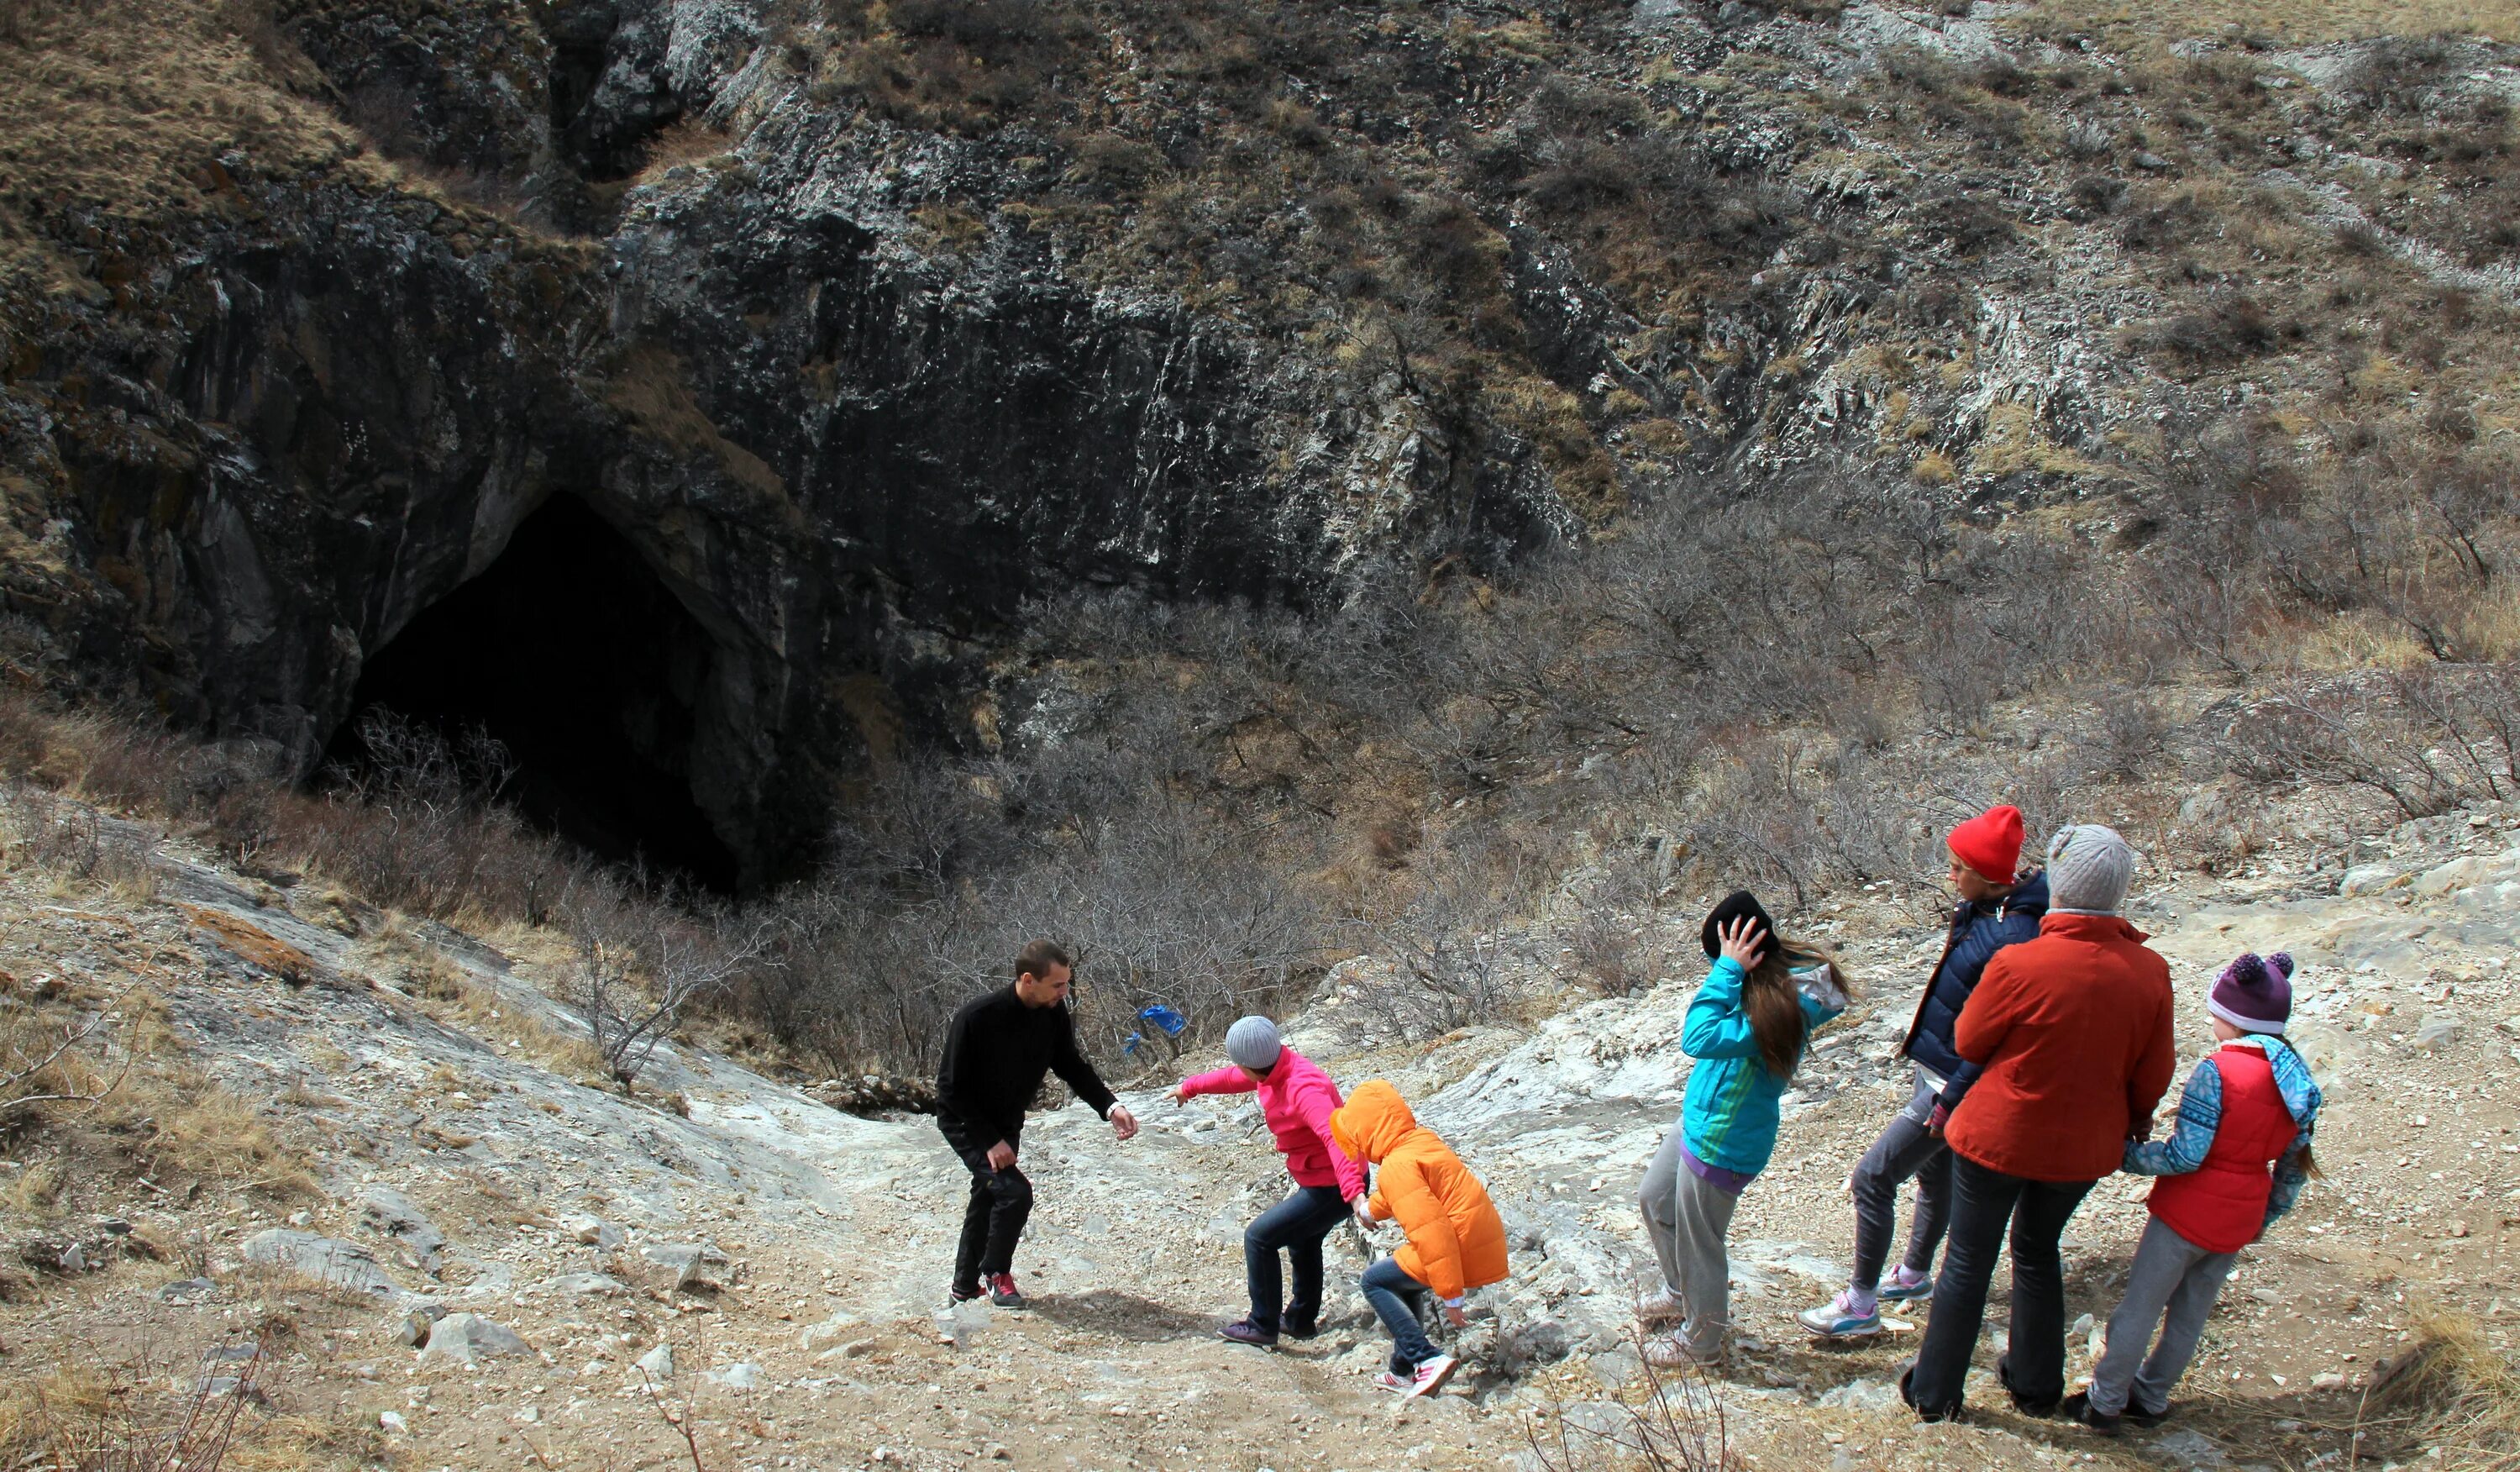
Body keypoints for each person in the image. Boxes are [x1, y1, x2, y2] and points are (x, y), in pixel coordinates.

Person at [1902, 825, 2176, 1422]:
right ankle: (2035, 1387)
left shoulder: (2020, 961)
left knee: (1969, 1260)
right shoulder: (2150, 971)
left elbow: (1969, 1037)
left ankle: (1935, 1392)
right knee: (2037, 1248)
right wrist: (2133, 1121)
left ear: (2058, 884)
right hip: (2083, 1149)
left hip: (1996, 1135)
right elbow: (2153, 1075)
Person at [1801, 805, 2048, 1340]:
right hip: (1937, 1065)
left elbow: (1997, 1031)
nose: (1950, 875)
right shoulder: (1987, 914)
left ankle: (1861, 1304)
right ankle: (1913, 1275)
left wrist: (1951, 1096)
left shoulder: (2012, 936)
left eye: (1958, 867)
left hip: (1951, 1083)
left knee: (1873, 1178)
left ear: (1987, 874)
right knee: (1935, 1177)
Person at [2064, 953, 2323, 1434]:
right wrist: (2265, 1217)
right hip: (2239, 1216)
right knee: (2190, 1315)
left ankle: (2105, 1402)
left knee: (2139, 1308)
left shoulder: (2217, 1071)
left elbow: (2186, 1156)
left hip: (2187, 1212)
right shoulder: (2296, 1079)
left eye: (2215, 1012)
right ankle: (2153, 1397)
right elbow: (2292, 1165)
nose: (2210, 1019)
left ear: (2234, 1018)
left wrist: (2122, 1155)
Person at [1639, 891, 1851, 1367]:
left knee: (1701, 1245)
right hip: (1699, 1119)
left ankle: (1703, 1344)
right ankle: (1680, 1293)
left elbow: (1697, 1038)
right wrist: (1733, 970)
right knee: (1654, 1199)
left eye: (1722, 956)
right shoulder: (1766, 980)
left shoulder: (1783, 1006)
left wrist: (1727, 971)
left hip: (1723, 1139)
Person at [933, 940, 1140, 1309]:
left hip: (1007, 1118)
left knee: (989, 1195)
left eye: (1067, 984)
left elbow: (1071, 1066)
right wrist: (990, 1140)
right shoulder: (977, 1017)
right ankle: (997, 1273)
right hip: (968, 1122)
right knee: (1014, 1193)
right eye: (1058, 985)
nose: (1065, 992)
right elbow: (950, 1089)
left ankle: (963, 1287)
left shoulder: (1053, 1014)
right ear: (1029, 980)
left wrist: (1110, 1107)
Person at [1174, 1015, 1368, 1348]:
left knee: (1260, 1238)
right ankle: (1299, 1321)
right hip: (1322, 1180)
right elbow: (1235, 1078)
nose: (1239, 1070)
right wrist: (1189, 1087)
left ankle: (1262, 1324)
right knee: (1303, 1241)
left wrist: (1355, 1195)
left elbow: (1338, 1139)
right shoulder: (1274, 1066)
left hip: (1336, 1185)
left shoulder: (1303, 1087)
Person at [1329, 1079, 1508, 1398]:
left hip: (1458, 1243)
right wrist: (1371, 1210)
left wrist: (1451, 1295)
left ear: (1368, 1132)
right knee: (1400, 1279)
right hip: (1479, 1234)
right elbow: (1410, 1193)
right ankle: (1401, 1371)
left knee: (1373, 1281)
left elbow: (1432, 1229)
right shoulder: (1420, 1141)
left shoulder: (1395, 1166)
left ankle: (1426, 1358)